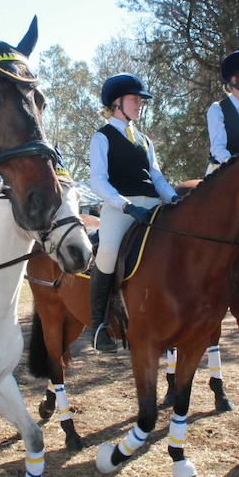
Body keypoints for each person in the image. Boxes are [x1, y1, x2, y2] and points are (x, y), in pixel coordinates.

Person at [87, 73, 180, 353]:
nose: (140, 104)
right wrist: (126, 205)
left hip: (152, 205)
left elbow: (157, 177)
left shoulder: (144, 139)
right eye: (134, 99)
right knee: (108, 251)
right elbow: (98, 181)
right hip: (120, 208)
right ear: (117, 103)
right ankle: (99, 325)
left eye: (140, 100)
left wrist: (174, 198)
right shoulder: (101, 137)